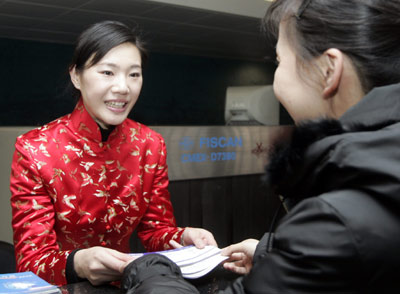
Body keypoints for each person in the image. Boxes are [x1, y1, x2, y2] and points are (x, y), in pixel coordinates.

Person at [120, 0, 400, 293]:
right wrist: (275, 251)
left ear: (329, 70)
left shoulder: (339, 213)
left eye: (279, 62)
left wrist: (147, 269)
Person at [9, 20, 216, 287]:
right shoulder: (35, 149)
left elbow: (155, 232)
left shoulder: (150, 145)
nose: (123, 87)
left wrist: (184, 236)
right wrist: (79, 262)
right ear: (76, 76)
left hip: (128, 285)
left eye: (134, 74)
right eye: (108, 72)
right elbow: (32, 261)